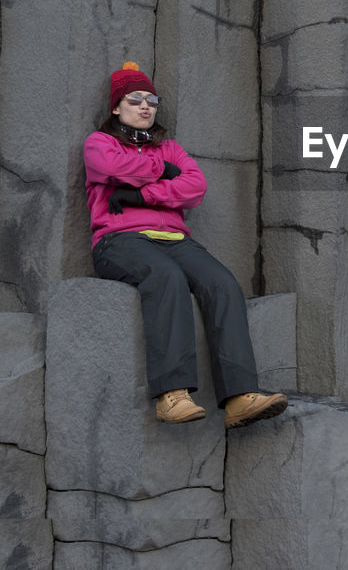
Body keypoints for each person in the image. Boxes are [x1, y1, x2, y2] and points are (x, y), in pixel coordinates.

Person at [84, 61, 288, 427]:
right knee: (165, 277)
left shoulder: (171, 148)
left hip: (176, 239)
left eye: (152, 100)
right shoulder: (100, 142)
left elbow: (194, 187)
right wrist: (162, 172)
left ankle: (240, 397)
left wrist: (140, 197)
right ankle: (171, 395)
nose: (146, 106)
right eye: (135, 100)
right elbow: (110, 167)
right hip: (119, 241)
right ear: (117, 107)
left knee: (222, 283)